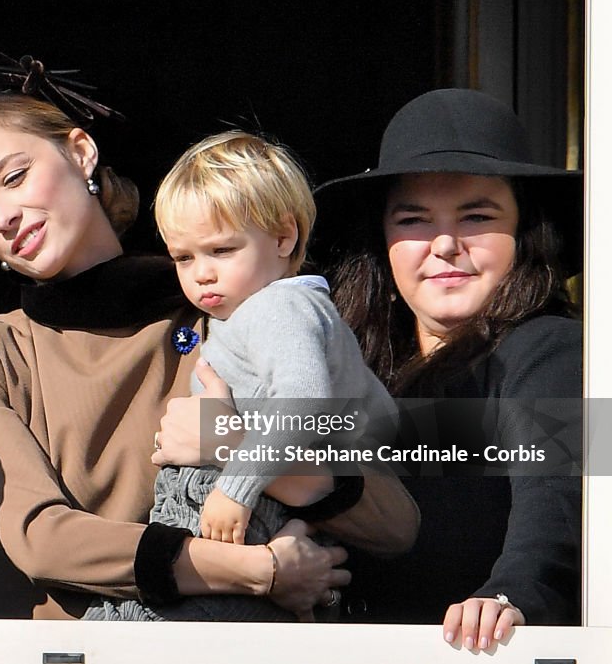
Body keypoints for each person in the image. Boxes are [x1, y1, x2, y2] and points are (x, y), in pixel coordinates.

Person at [0, 53, 419, 622]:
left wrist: (229, 444)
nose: (2, 215)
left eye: (14, 177)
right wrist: (262, 571)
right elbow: (40, 536)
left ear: (81, 152)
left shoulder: (226, 313)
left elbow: (394, 520)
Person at [85, 131, 401, 622]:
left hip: (242, 516)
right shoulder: (281, 312)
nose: (201, 274)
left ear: (283, 237)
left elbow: (302, 398)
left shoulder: (279, 306)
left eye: (221, 250)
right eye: (184, 258)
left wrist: (236, 488)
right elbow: (375, 414)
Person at [313, 88, 582, 649]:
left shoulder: (551, 347)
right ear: (381, 242)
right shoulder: (342, 361)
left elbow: (554, 500)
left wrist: (511, 596)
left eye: (476, 216)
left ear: (525, 231)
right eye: (412, 219)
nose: (443, 244)